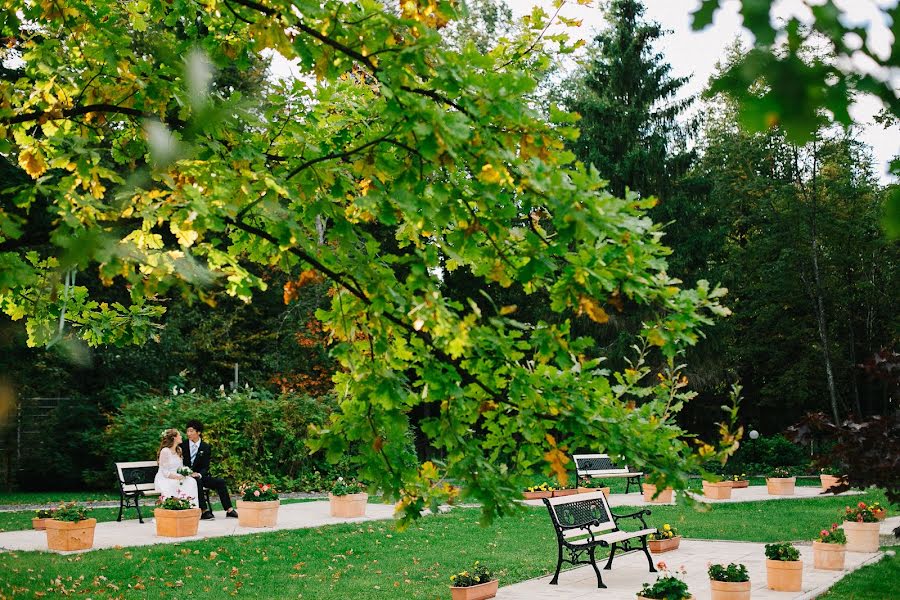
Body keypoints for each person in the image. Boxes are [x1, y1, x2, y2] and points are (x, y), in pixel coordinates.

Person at [181, 419, 238, 520]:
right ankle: (204, 511)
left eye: (191, 431)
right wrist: (188, 473)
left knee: (220, 482)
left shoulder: (205, 447)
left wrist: (199, 474)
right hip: (186, 477)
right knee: (196, 481)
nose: (188, 433)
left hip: (200, 476)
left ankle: (229, 509)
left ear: (198, 432)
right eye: (187, 431)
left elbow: (205, 467)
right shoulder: (182, 446)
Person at [154, 428, 199, 507]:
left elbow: (180, 467)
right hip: (165, 478)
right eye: (179, 435)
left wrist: (186, 473)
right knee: (175, 484)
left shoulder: (179, 450)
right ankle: (175, 506)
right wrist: (177, 477)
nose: (181, 437)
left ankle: (190, 506)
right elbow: (165, 472)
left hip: (178, 476)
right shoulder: (165, 451)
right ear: (174, 438)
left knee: (191, 481)